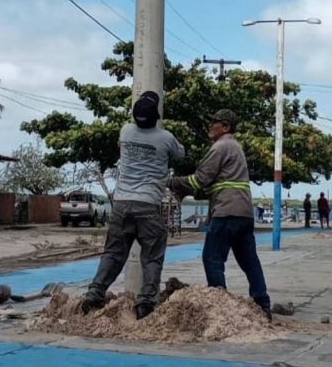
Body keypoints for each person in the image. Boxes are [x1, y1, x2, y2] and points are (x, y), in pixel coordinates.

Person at [81, 91, 184, 320]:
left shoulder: (125, 131)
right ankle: (145, 303)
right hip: (148, 204)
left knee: (113, 254)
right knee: (152, 257)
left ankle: (94, 294)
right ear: (157, 115)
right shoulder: (166, 138)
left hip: (121, 204)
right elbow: (181, 154)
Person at [169, 109, 272, 319]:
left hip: (226, 212)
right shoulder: (236, 148)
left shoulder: (221, 147)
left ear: (225, 127)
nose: (210, 126)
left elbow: (199, 180)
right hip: (244, 214)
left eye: (214, 122)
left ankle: (219, 306)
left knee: (212, 258)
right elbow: (214, 184)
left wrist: (170, 182)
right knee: (249, 261)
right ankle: (262, 305)